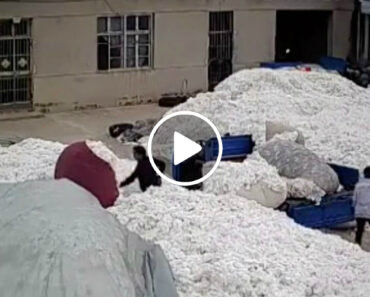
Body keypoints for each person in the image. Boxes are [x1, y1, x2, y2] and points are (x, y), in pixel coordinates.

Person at [353, 166, 370, 245]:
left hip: (359, 211)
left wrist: (354, 206)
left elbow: (354, 199)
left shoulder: (358, 185)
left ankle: (357, 245)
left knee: (359, 230)